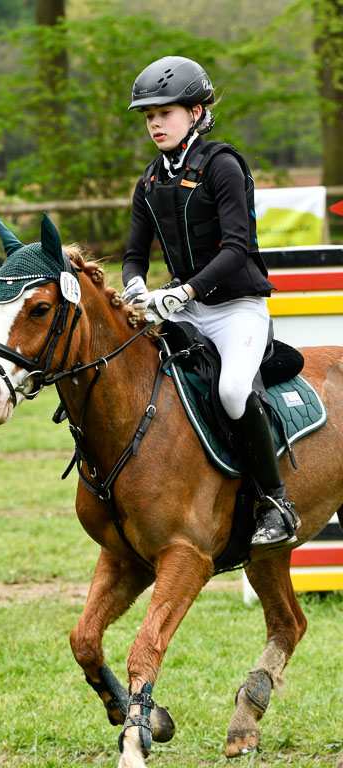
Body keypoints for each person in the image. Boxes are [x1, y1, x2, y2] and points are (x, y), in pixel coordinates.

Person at [122, 55, 300, 548]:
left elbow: (237, 248)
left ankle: (276, 502)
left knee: (230, 391)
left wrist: (182, 290)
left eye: (167, 112)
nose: (155, 122)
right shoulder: (151, 179)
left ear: (196, 113)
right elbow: (135, 254)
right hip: (186, 309)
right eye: (149, 115)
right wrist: (136, 287)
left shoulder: (223, 165)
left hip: (236, 309)